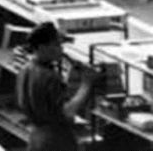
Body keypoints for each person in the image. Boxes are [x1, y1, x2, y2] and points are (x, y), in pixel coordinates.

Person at [15, 22, 96, 151]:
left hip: (35, 137)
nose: (61, 49)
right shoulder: (50, 77)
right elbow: (67, 112)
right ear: (42, 47)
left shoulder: (25, 70)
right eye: (56, 45)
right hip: (55, 140)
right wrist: (86, 84)